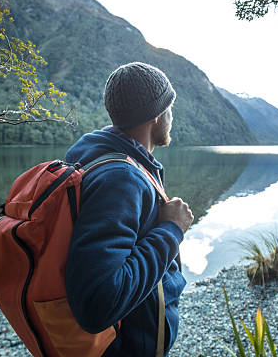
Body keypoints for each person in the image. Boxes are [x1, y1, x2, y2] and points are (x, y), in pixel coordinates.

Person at [64, 62, 194, 357]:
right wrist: (171, 230)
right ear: (157, 115)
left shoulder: (102, 159)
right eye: (170, 107)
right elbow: (98, 304)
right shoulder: (121, 179)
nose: (172, 117)